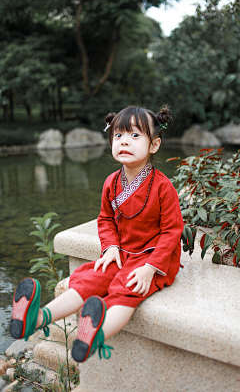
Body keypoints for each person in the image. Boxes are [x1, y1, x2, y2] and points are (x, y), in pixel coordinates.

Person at [10, 105, 184, 363]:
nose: (125, 141)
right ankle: (35, 318)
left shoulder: (162, 187)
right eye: (118, 135)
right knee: (90, 278)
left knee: (127, 288)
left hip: (151, 257)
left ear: (154, 145)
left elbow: (172, 230)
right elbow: (105, 219)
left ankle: (95, 336)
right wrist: (110, 246)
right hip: (122, 252)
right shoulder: (111, 183)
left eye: (135, 135)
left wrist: (151, 267)